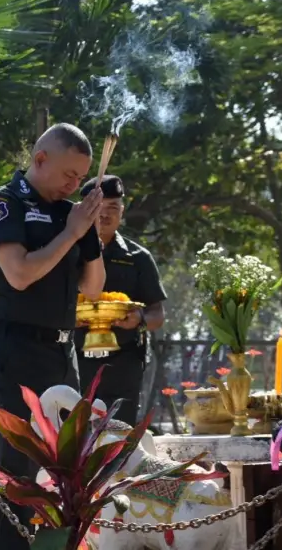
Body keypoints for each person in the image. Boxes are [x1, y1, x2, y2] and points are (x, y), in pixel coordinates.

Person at [0, 123, 105, 550]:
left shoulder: (70, 213)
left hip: (62, 353)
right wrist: (71, 233)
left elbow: (93, 288)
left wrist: (88, 234)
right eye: (69, 174)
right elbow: (18, 274)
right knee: (20, 473)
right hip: (17, 352)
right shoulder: (6, 202)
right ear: (40, 159)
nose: (74, 184)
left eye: (81, 177)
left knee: (71, 474)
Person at [75, 175, 166, 425]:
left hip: (123, 364)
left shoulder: (138, 257)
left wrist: (140, 319)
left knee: (120, 433)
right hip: (74, 362)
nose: (105, 215)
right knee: (74, 436)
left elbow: (158, 314)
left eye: (113, 208)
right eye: (99, 208)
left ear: (122, 212)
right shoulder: (67, 252)